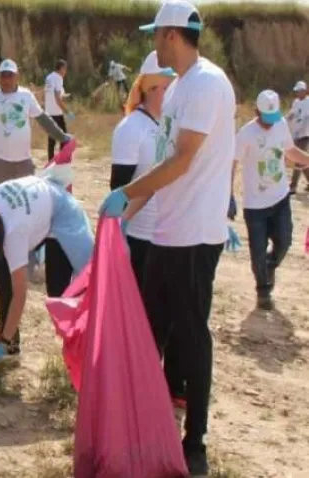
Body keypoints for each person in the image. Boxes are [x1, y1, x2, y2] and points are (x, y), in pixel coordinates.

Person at [100, 1, 237, 474]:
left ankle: (194, 442)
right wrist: (126, 213)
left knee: (192, 336)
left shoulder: (206, 83)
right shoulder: (178, 89)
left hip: (195, 235)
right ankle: (145, 421)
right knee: (151, 330)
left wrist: (125, 192)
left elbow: (182, 161)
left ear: (172, 35)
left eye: (156, 35)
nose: (154, 43)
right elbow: (163, 165)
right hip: (166, 231)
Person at [0, 173, 94, 364]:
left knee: (62, 291)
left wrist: (2, 341)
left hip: (62, 212)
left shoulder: (14, 234)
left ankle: (84, 347)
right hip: (34, 212)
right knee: (5, 277)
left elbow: (20, 295)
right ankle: (10, 344)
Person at [233, 89, 309, 310]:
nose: (270, 123)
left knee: (284, 242)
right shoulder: (245, 134)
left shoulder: (281, 125)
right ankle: (263, 291)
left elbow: (290, 150)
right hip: (254, 205)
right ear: (257, 112)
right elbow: (232, 163)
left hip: (280, 199)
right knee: (257, 252)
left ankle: (270, 265)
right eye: (266, 118)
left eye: (273, 117)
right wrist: (227, 195)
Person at [110, 51, 176, 286]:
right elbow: (119, 187)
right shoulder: (131, 128)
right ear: (151, 88)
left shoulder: (172, 125)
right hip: (140, 238)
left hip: (171, 236)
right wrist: (119, 232)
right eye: (168, 87)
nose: (174, 93)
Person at [0, 59, 72, 185]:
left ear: (17, 76)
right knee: (4, 197)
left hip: (24, 162)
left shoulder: (26, 96)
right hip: (1, 163)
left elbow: (43, 120)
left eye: (9, 75)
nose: (6, 80)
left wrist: (62, 137)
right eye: (3, 75)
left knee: (27, 196)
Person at [43, 59, 74, 161]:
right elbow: (57, 98)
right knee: (63, 137)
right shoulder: (58, 78)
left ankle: (50, 160)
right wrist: (67, 112)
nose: (65, 72)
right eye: (65, 69)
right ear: (62, 68)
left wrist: (64, 95)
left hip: (49, 112)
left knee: (51, 139)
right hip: (57, 113)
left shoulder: (49, 78)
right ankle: (62, 159)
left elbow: (49, 94)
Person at [286, 80, 309, 193]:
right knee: (301, 159)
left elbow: (304, 119)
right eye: (297, 91)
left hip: (305, 134)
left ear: (305, 91)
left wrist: (299, 130)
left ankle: (293, 186)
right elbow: (292, 114)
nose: (298, 93)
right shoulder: (296, 102)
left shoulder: (308, 103)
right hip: (295, 134)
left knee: (298, 159)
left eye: (300, 91)